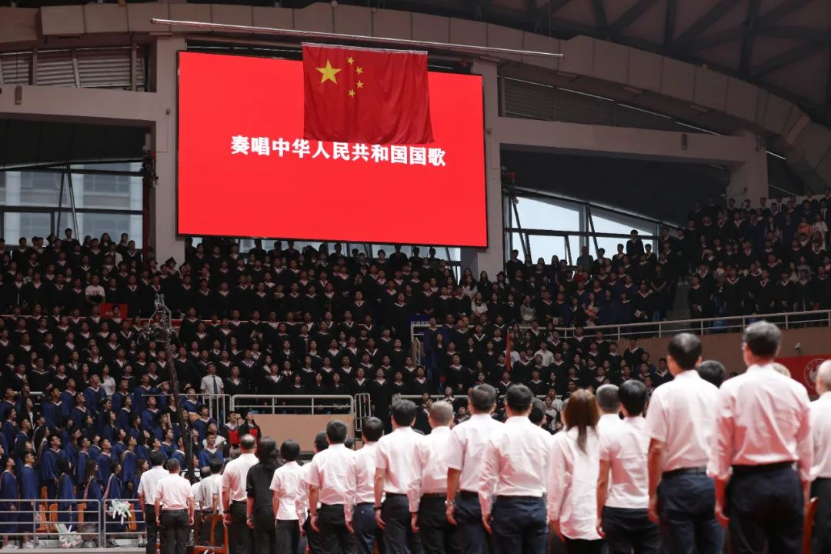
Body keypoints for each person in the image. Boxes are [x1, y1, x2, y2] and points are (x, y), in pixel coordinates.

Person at [708, 321, 812, 554]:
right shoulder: (796, 389)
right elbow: (806, 448)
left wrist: (719, 498)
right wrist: (803, 492)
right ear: (777, 349)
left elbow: (721, 448)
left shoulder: (731, 388)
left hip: (748, 483)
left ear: (746, 349)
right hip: (787, 481)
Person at [644, 332, 722, 553]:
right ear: (699, 360)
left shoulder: (662, 393)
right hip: (711, 481)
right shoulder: (715, 392)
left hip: (677, 484)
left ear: (670, 360)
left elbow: (656, 449)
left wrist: (652, 494)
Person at [479, 384, 549, 553]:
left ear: (506, 405)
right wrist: (549, 510)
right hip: (537, 504)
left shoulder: (497, 436)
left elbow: (487, 478)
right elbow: (553, 478)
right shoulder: (545, 437)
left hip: (507, 506)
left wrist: (486, 510)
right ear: (530, 407)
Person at [596, 380, 660, 554]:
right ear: (646, 403)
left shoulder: (610, 434)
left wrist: (599, 515)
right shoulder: (657, 432)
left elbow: (602, 480)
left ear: (621, 404)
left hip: (617, 507)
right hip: (649, 506)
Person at [444, 384, 502, 554]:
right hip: (499, 499)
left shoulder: (460, 430)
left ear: (469, 405)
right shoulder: (504, 430)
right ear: (494, 406)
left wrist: (450, 502)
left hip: (470, 499)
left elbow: (454, 471)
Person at [548, 391, 602, 553]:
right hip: (602, 514)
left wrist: (553, 516)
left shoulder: (561, 440)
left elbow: (556, 482)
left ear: (568, 413)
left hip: (574, 514)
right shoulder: (606, 437)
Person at [374, 400, 423, 554]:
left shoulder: (384, 441)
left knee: (395, 549)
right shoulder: (423, 441)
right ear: (414, 420)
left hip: (395, 501)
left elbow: (379, 477)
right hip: (420, 499)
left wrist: (377, 506)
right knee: (420, 547)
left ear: (392, 419)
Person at [409, 401, 458, 554]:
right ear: (452, 418)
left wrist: (414, 511)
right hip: (459, 500)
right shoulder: (461, 440)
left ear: (429, 418)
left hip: (430, 504)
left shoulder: (422, 443)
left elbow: (414, 480)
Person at [307, 420, 356, 554]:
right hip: (351, 507)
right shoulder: (354, 456)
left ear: (327, 437)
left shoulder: (319, 458)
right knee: (351, 549)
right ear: (346, 437)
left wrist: (313, 514)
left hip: (328, 511)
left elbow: (313, 488)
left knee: (329, 551)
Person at [345, 417, 384, 554]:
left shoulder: (355, 456)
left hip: (364, 508)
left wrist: (348, 515)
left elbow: (349, 489)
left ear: (362, 435)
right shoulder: (389, 454)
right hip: (386, 506)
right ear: (382, 434)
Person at [222, 434, 258, 554]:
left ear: (240, 447)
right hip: (258, 507)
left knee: (239, 545)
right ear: (255, 447)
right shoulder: (260, 463)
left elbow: (225, 491)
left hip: (239, 507)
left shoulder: (231, 465)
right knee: (258, 544)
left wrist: (226, 511)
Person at [154, 458, 195, 554]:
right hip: (182, 513)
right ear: (179, 468)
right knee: (182, 543)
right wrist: (191, 516)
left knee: (169, 543)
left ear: (167, 468)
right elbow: (191, 501)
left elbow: (157, 500)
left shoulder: (162, 481)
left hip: (167, 514)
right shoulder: (185, 482)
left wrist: (157, 516)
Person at [811, 360, 831, 554]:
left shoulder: (810, 411)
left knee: (822, 543)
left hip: (823, 486)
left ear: (818, 382)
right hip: (822, 483)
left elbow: (803, 454)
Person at [246, 438, 279, 554]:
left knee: (262, 548)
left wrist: (248, 516)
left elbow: (250, 496)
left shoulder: (253, 470)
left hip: (261, 512)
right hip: (280, 512)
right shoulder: (281, 468)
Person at [270, 440, 303, 554]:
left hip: (283, 514)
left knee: (284, 550)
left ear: (282, 454)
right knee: (299, 549)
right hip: (300, 514)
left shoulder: (279, 472)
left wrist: (276, 516)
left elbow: (275, 497)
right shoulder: (302, 470)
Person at [138, 451, 168, 554]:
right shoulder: (168, 474)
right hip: (165, 508)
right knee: (165, 538)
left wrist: (143, 511)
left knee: (151, 538)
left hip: (150, 507)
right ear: (163, 461)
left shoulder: (145, 474)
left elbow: (140, 494)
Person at [0, 456, 18, 549]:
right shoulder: (6, 475)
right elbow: (7, 490)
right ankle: (5, 543)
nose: (13, 460)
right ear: (7, 463)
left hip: (11, 502)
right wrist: (10, 503)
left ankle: (7, 543)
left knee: (9, 522)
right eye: (11, 459)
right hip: (6, 504)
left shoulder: (10, 475)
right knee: (6, 522)